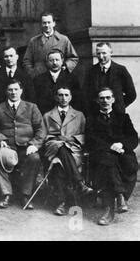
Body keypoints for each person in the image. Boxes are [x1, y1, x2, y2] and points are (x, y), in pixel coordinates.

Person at [86, 87, 138, 226]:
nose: (105, 101)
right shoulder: (91, 119)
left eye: (108, 97)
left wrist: (121, 144)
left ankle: (114, 202)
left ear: (113, 100)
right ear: (97, 101)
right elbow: (90, 140)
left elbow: (133, 138)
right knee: (108, 163)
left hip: (122, 155)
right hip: (101, 154)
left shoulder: (123, 117)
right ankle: (116, 201)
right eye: (102, 98)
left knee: (116, 165)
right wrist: (109, 147)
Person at [0, 80, 45, 209]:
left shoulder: (32, 107)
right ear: (6, 91)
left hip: (26, 146)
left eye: (16, 89)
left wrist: (34, 144)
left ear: (21, 91)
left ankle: (25, 194)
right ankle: (6, 194)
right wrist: (0, 139)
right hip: (7, 146)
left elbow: (41, 129)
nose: (13, 92)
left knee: (35, 158)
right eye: (10, 90)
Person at [42, 86, 93, 216]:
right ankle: (80, 183)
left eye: (66, 95)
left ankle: (62, 203)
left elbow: (85, 134)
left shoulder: (79, 115)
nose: (63, 98)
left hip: (74, 150)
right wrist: (57, 139)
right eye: (60, 95)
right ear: (55, 97)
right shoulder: (48, 115)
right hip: (53, 147)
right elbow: (42, 135)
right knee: (61, 146)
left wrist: (71, 138)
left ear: (70, 97)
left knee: (59, 165)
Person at [84, 42, 136, 114]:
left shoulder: (121, 70)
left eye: (104, 53)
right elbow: (85, 94)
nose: (101, 56)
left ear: (111, 53)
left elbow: (132, 94)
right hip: (95, 115)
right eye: (98, 53)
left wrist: (119, 105)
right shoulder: (90, 71)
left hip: (117, 114)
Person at [23, 12, 79, 78]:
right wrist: (32, 73)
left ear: (54, 23)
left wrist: (65, 67)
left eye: (49, 22)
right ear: (41, 24)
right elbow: (26, 61)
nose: (47, 25)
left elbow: (73, 58)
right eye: (44, 23)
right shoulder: (34, 41)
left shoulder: (63, 39)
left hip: (58, 76)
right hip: (39, 77)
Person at [34, 49, 83, 114]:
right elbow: (36, 101)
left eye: (57, 60)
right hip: (45, 116)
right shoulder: (39, 79)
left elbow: (77, 101)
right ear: (47, 62)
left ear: (62, 61)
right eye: (51, 60)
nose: (54, 63)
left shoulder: (72, 78)